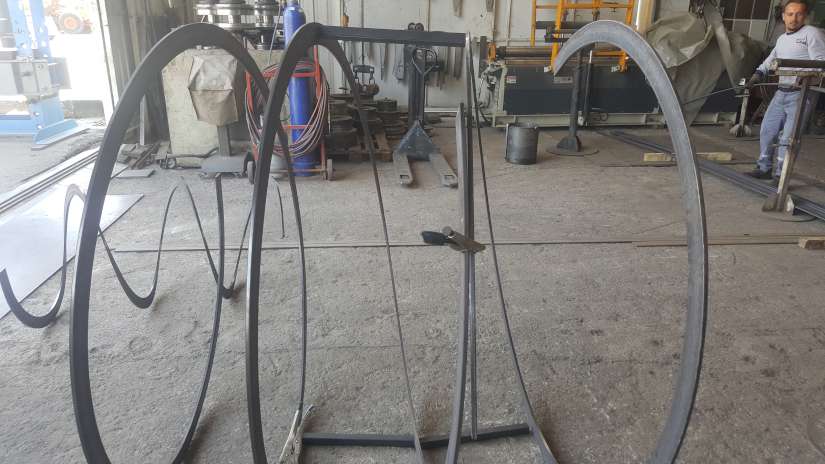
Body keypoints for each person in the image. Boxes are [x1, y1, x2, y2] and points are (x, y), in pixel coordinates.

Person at [745, 0, 825, 182]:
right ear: (783, 16)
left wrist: (807, 76)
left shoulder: (812, 34)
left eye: (798, 14)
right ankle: (764, 168)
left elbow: (821, 64)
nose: (793, 18)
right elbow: (771, 60)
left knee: (788, 138)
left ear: (805, 16)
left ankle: (781, 176)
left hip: (802, 94)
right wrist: (756, 75)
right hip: (781, 92)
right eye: (790, 14)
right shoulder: (782, 39)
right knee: (767, 130)